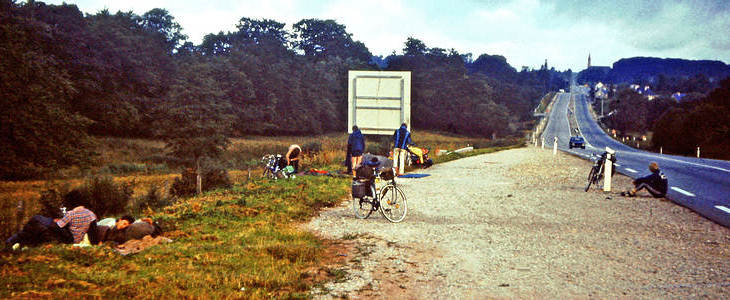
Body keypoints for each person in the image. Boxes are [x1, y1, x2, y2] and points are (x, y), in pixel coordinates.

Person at [6, 192, 98, 248]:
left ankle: (11, 241)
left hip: (69, 238)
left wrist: (55, 221)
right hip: (75, 238)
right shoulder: (91, 214)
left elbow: (58, 227)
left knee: (36, 219)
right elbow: (93, 230)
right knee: (37, 225)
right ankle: (16, 240)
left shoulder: (71, 214)